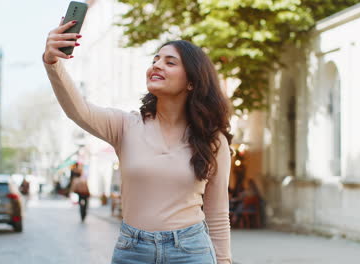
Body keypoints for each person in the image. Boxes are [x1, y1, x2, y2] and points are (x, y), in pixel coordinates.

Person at [43, 17, 233, 264]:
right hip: (133, 251)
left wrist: (224, 260)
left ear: (191, 81)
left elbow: (217, 213)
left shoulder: (212, 140)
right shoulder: (125, 126)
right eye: (155, 60)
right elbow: (78, 110)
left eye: (169, 62)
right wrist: (52, 62)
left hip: (190, 251)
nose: (156, 65)